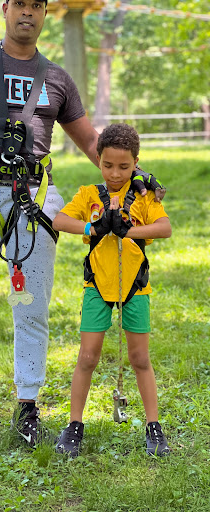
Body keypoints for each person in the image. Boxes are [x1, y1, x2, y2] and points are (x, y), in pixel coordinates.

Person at [0, 1, 164, 456]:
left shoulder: (57, 78)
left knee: (32, 309)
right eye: (20, 3)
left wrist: (136, 172)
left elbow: (90, 141)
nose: (28, 12)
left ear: (43, 14)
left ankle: (28, 410)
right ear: (5, 8)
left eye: (37, 5)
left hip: (36, 201)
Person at [53, 123, 172, 458]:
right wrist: (94, 226)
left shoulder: (144, 198)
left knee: (139, 358)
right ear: (98, 159)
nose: (115, 173)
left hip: (135, 287)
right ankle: (74, 426)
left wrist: (130, 232)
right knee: (87, 357)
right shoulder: (90, 195)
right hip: (97, 286)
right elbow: (60, 221)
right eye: (107, 165)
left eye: (124, 166)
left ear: (136, 163)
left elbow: (165, 228)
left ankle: (154, 427)